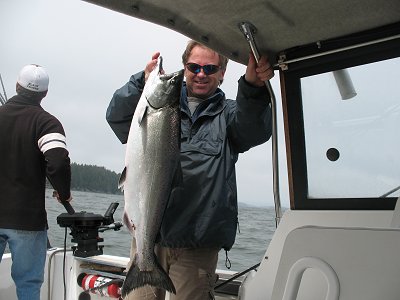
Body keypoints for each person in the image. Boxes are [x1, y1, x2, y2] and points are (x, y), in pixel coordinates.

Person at [106, 40, 274, 300]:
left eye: (210, 68)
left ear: (222, 73)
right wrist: (141, 81)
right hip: (151, 238)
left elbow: (254, 129)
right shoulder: (153, 106)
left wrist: (253, 87)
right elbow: (115, 117)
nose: (201, 74)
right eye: (194, 66)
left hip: (197, 244)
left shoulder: (230, 115)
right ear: (184, 68)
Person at [0, 64, 72, 300]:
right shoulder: (47, 123)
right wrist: (63, 192)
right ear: (45, 93)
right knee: (28, 284)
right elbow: (58, 162)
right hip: (26, 219)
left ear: (17, 86)